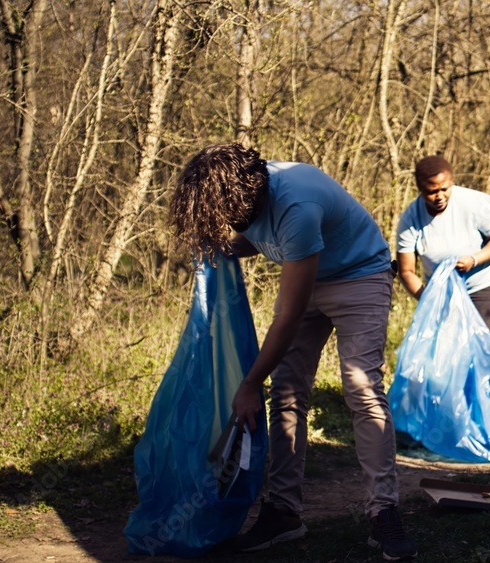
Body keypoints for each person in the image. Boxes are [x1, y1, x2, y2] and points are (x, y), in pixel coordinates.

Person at [169, 143, 417, 560]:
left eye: (226, 216)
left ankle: (384, 512)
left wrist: (250, 384)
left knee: (361, 387)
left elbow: (290, 314)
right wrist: (220, 248)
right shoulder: (248, 196)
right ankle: (283, 513)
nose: (227, 222)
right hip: (310, 274)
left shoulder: (297, 205)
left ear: (246, 197)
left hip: (360, 276)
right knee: (285, 392)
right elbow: (258, 237)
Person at [395, 155, 490, 332]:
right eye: (432, 191)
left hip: (482, 284)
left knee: (477, 339)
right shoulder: (410, 220)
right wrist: (428, 298)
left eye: (444, 189)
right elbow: (406, 271)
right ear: (420, 189)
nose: (440, 196)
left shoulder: (476, 203)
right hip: (442, 293)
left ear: (452, 182)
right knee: (447, 345)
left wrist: (474, 259)